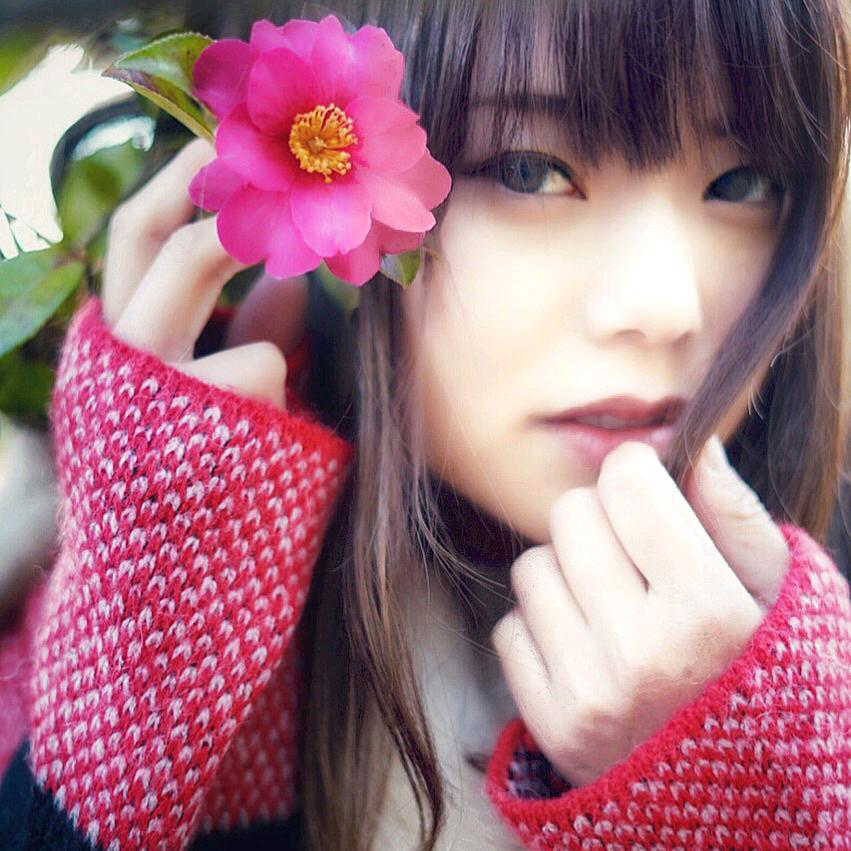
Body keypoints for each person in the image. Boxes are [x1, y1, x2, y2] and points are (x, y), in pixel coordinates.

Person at [1, 0, 849, 848]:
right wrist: (135, 663)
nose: (665, 306)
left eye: (742, 184)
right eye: (528, 169)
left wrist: (765, 803)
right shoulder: (45, 646)